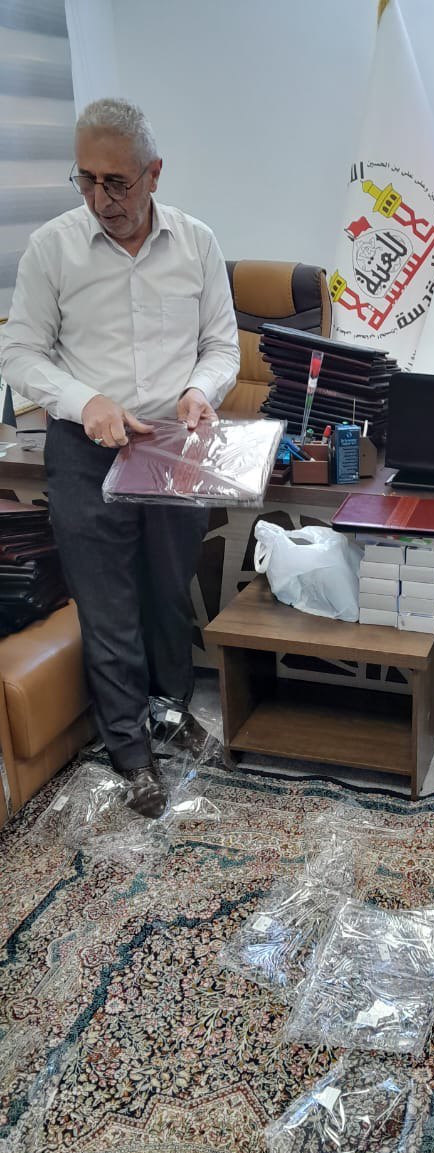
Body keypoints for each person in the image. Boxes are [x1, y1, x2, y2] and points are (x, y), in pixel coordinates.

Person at [0, 98, 240, 815]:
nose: (101, 198)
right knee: (106, 604)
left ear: (154, 173)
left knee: (168, 592)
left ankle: (169, 711)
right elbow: (21, 353)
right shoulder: (53, 248)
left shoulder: (197, 243)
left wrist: (199, 390)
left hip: (170, 444)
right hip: (85, 449)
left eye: (117, 182)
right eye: (87, 180)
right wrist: (85, 401)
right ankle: (130, 751)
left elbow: (222, 346)